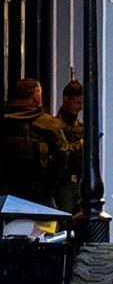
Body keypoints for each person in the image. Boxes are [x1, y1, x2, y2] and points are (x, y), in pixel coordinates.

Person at [1, 78, 76, 207]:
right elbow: (63, 155)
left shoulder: (5, 122)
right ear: (36, 95)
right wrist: (52, 186)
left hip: (6, 193)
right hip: (39, 193)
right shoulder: (48, 124)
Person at [55, 80, 85, 214]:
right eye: (77, 103)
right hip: (63, 182)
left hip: (79, 181)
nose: (80, 107)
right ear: (66, 100)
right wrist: (81, 144)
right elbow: (62, 151)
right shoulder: (55, 125)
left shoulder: (80, 126)